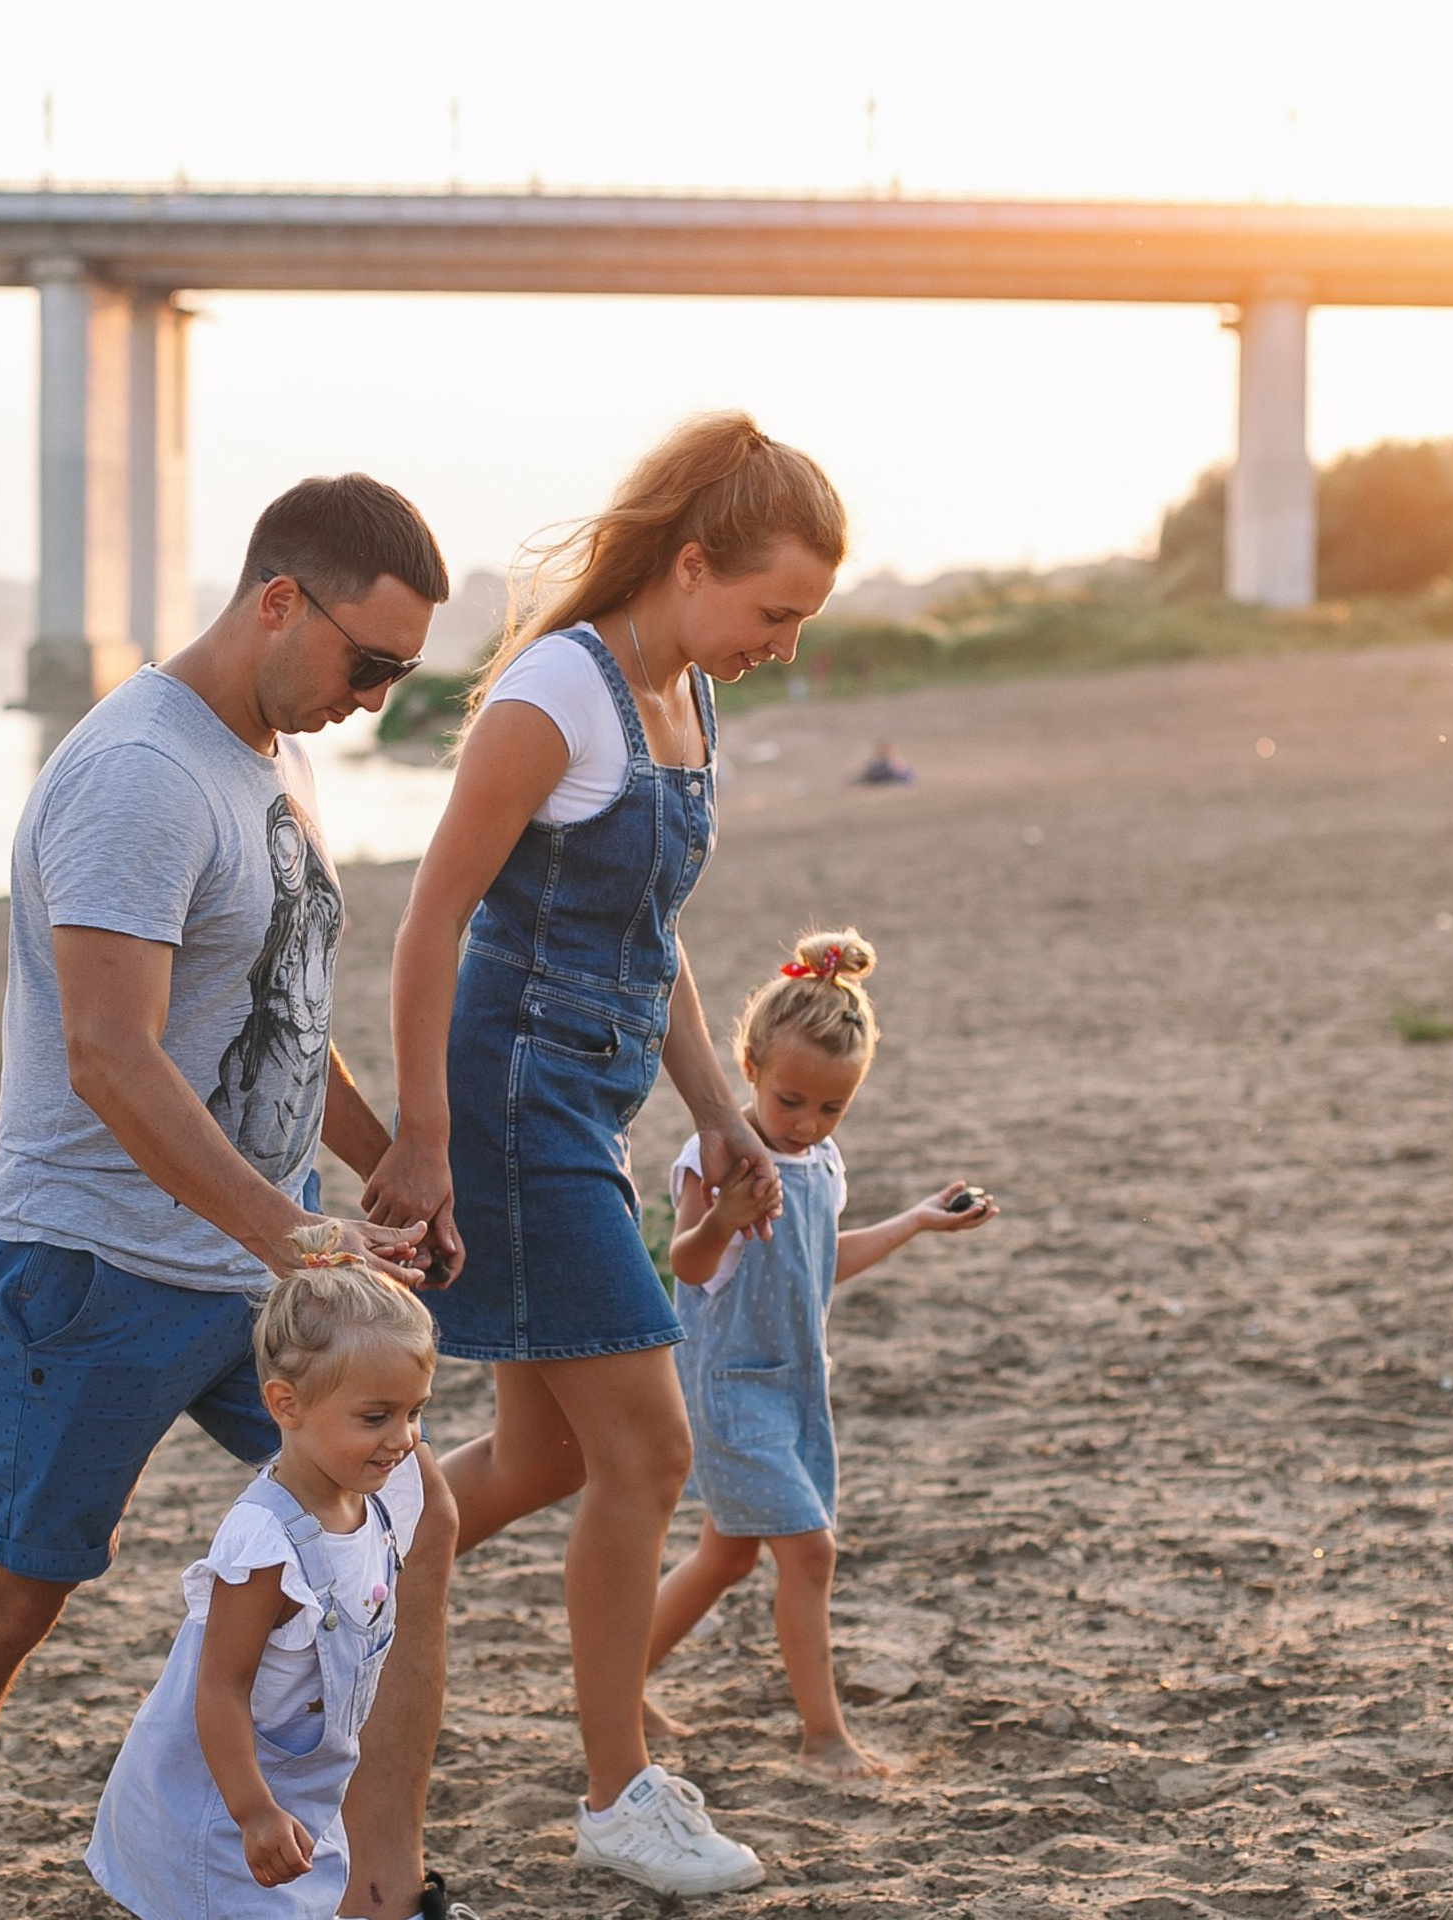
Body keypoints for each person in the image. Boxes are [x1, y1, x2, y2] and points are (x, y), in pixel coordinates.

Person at [0, 475, 470, 1920]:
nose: (375, 698)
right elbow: (111, 1057)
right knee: (15, 1595)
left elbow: (275, 1011)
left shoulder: (270, 750)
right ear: (278, 601)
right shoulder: (140, 776)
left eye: (404, 675)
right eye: (367, 663)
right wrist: (296, 1231)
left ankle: (381, 1886)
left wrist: (380, 1157)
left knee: (411, 1519)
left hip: (251, 1266)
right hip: (96, 1265)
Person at [362, 412, 847, 1896]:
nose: (780, 642)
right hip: (509, 1110)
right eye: (771, 609)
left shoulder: (687, 687)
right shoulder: (551, 697)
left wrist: (712, 1106)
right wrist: (425, 1139)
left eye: (803, 621)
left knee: (543, 1451)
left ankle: (326, 1558)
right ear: (692, 561)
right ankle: (618, 1790)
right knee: (648, 1445)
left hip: (597, 1104)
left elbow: (654, 942)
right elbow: (431, 918)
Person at [645, 929, 998, 1779]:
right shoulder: (718, 1151)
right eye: (792, 1101)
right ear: (752, 1067)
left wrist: (915, 1219)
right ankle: (823, 1737)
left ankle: (618, 1679)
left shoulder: (822, 1162)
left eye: (832, 1108)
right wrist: (725, 1213)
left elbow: (821, 1259)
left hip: (797, 1385)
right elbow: (687, 1265)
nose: (808, 1123)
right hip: (728, 1385)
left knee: (727, 1552)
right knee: (811, 1552)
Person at [87, 1221, 471, 1919]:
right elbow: (220, 1688)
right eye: (376, 1416)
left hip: (304, 1807)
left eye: (416, 1412)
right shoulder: (266, 1543)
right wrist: (253, 1810)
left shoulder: (374, 1506)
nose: (403, 1439)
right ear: (284, 1404)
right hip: (224, 1817)